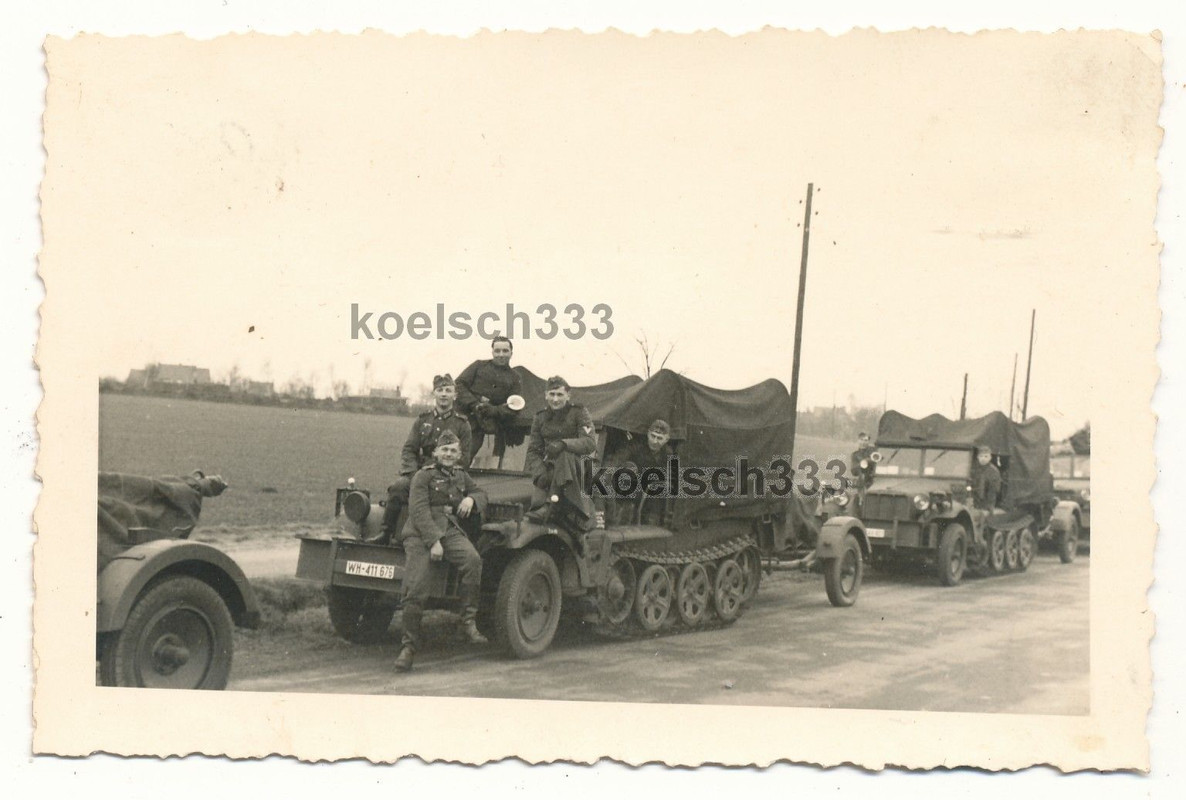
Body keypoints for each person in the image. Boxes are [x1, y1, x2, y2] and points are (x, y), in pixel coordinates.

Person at [393, 430, 488, 673]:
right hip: (421, 533)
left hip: (450, 530)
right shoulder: (423, 477)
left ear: (459, 455)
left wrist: (472, 500)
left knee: (473, 561)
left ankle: (467, 622)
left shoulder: (459, 474)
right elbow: (419, 511)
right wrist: (434, 541)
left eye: (453, 451)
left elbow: (480, 492)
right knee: (416, 587)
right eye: (444, 450)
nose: (448, 454)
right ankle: (408, 648)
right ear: (436, 452)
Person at [379, 374, 472, 541]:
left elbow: (464, 457)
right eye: (440, 390)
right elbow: (409, 449)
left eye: (448, 391)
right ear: (433, 394)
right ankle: (386, 532)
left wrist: (443, 474)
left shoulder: (462, 424)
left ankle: (446, 539)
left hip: (448, 476)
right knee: (398, 487)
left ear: (454, 395)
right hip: (420, 472)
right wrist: (414, 475)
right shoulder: (423, 420)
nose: (444, 394)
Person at [524, 376, 597, 529]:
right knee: (534, 505)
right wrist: (539, 472)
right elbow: (533, 450)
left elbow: (590, 443)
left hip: (577, 469)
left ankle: (552, 505)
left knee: (564, 455)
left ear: (568, 396)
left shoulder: (579, 412)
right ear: (545, 395)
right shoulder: (540, 417)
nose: (555, 399)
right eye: (552, 394)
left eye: (560, 395)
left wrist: (564, 444)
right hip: (551, 469)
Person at [455, 336, 524, 465]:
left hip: (481, 426)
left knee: (462, 460)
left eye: (505, 351)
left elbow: (514, 405)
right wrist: (474, 403)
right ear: (492, 352)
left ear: (511, 353)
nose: (501, 354)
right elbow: (458, 385)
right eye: (497, 351)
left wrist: (494, 410)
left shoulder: (515, 377)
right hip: (460, 419)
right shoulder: (478, 366)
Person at [603, 419, 675, 526]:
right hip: (629, 493)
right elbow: (616, 459)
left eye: (659, 438)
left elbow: (672, 478)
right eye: (653, 436)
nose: (655, 441)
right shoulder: (635, 446)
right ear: (648, 434)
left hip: (651, 496)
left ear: (666, 439)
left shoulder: (668, 454)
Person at [971, 445, 1002, 511]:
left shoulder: (993, 471)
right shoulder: (973, 469)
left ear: (990, 458)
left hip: (987, 503)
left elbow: (994, 490)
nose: (983, 459)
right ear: (977, 457)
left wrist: (989, 506)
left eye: (986, 456)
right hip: (973, 501)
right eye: (981, 456)